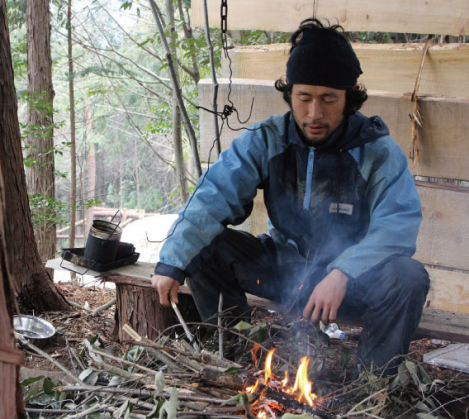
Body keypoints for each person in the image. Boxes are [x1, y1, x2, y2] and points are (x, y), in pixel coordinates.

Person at [150, 18, 430, 376]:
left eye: (329, 99)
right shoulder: (268, 139)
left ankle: (372, 385)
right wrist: (173, 260)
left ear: (349, 98)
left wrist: (343, 271)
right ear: (290, 93)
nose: (315, 114)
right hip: (284, 268)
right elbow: (213, 194)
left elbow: (398, 226)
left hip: (352, 282)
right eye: (304, 98)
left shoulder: (377, 152)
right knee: (204, 246)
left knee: (408, 276)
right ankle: (236, 358)